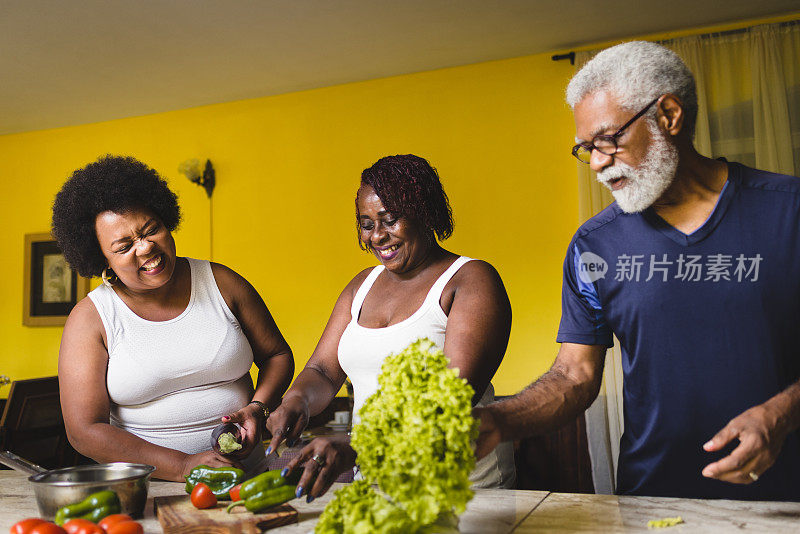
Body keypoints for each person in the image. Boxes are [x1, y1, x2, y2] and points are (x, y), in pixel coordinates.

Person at [475, 40, 800, 501]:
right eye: (585, 148)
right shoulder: (594, 246)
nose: (597, 164)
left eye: (608, 140)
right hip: (650, 500)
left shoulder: (789, 211)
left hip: (786, 500)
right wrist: (498, 421)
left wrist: (781, 414)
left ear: (668, 115)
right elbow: (574, 375)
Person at [267, 154, 516, 502]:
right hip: (375, 478)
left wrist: (357, 446)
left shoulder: (470, 280)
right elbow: (323, 371)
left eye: (390, 220)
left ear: (424, 212)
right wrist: (295, 402)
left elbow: (450, 399)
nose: (378, 236)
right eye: (367, 224)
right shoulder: (360, 286)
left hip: (459, 485)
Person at [52, 155, 294, 481]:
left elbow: (277, 355)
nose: (146, 247)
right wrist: (183, 466)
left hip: (245, 478)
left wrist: (258, 409)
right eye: (124, 246)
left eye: (151, 229)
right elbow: (84, 431)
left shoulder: (222, 283)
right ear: (102, 260)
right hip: (144, 489)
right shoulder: (90, 319)